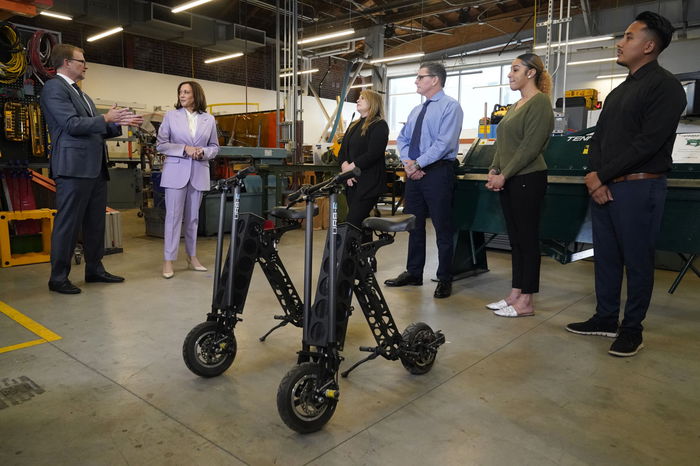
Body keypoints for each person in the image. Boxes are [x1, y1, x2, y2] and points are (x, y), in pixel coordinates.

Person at [566, 11, 686, 357]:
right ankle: (605, 319)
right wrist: (595, 176)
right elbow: (600, 138)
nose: (620, 42)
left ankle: (632, 328)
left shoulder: (665, 87)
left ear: (649, 46)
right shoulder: (621, 91)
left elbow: (647, 143)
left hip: (640, 187)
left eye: (629, 37)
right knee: (606, 257)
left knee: (636, 261)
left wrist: (602, 175)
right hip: (606, 187)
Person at [41, 44, 142, 294]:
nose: (85, 65)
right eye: (81, 61)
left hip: (94, 168)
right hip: (73, 168)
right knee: (69, 223)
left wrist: (120, 123)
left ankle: (94, 269)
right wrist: (106, 118)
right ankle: (58, 277)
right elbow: (71, 124)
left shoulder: (82, 95)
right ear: (66, 62)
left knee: (95, 222)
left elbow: (94, 127)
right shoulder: (54, 87)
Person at [385, 62, 463, 299]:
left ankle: (445, 278)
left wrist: (418, 164)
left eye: (420, 77)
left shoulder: (451, 107)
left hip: (438, 172)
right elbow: (403, 139)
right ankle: (414, 272)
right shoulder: (416, 111)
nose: (416, 81)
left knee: (442, 226)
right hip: (414, 174)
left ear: (435, 80)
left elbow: (444, 143)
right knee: (413, 224)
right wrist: (410, 163)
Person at [485, 53, 554, 318]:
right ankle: (515, 293)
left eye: (515, 69)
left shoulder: (539, 103)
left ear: (531, 73)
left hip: (528, 179)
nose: (509, 74)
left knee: (527, 240)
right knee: (515, 240)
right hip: (511, 178)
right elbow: (503, 143)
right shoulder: (516, 105)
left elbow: (530, 147)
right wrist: (494, 168)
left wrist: (505, 174)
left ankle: (526, 301)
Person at [157, 81, 219, 279]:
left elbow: (215, 147)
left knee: (193, 219)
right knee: (173, 218)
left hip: (199, 172)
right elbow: (161, 145)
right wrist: (184, 149)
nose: (182, 95)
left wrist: (204, 152)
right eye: (180, 92)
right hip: (175, 173)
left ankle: (192, 257)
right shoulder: (170, 116)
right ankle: (168, 260)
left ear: (196, 95)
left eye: (186, 92)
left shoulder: (209, 119)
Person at [338, 89, 389, 232]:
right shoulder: (354, 125)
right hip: (352, 182)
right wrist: (346, 170)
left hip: (368, 183)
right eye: (358, 98)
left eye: (362, 98)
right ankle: (364, 253)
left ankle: (352, 253)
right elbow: (342, 152)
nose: (357, 100)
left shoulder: (379, 125)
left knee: (352, 222)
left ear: (372, 103)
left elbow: (373, 153)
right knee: (361, 224)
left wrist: (350, 169)